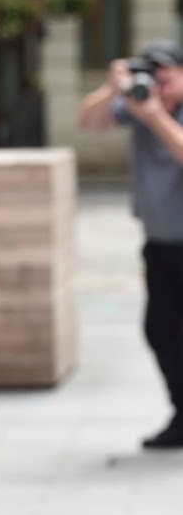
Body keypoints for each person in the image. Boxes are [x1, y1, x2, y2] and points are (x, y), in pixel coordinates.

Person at [79, 43, 183, 450]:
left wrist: (155, 116)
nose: (157, 85)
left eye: (167, 76)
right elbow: (89, 122)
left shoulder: (153, 113)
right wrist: (112, 89)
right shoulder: (140, 107)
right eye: (151, 77)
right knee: (161, 330)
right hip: (159, 245)